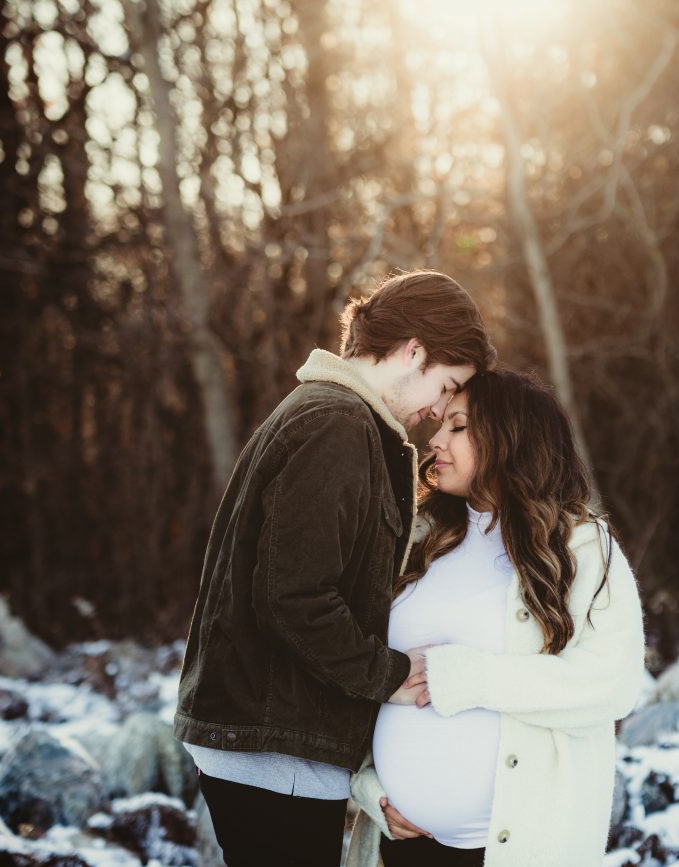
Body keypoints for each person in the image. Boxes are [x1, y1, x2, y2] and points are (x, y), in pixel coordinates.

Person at [173, 270, 495, 866]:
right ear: (413, 350)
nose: (434, 411)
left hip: (272, 745)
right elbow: (292, 597)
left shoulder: (325, 413)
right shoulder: (338, 424)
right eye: (445, 386)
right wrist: (390, 675)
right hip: (274, 753)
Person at [346, 369, 647, 867]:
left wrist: (464, 676)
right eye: (441, 424)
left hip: (515, 850)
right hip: (403, 846)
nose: (435, 439)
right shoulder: (416, 538)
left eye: (458, 427)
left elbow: (610, 682)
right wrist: (370, 784)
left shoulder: (582, 547)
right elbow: (362, 669)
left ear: (509, 439)